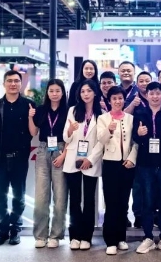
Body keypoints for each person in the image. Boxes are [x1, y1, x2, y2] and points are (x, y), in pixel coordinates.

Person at [0, 70, 33, 246]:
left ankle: (15, 229)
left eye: (16, 81)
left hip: (19, 158)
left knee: (19, 197)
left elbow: (33, 130)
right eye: (9, 81)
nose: (13, 84)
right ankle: (3, 229)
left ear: (21, 84)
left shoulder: (29, 105)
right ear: (4, 83)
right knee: (0, 197)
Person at [133, 82, 161, 255]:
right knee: (147, 203)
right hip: (145, 165)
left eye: (158, 93)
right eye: (151, 93)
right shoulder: (139, 113)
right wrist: (139, 134)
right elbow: (134, 138)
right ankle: (148, 238)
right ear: (146, 95)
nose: (155, 96)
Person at [97, 86, 138, 255]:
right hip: (110, 164)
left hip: (127, 164)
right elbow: (100, 140)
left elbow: (136, 142)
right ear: (109, 100)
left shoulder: (130, 118)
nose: (117, 101)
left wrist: (132, 159)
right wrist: (109, 129)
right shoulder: (102, 118)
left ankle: (121, 238)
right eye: (114, 98)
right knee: (111, 202)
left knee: (123, 203)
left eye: (120, 98)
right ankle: (110, 240)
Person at [63, 80, 103, 251]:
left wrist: (90, 159)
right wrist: (70, 130)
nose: (85, 94)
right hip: (73, 158)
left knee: (89, 200)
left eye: (89, 91)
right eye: (82, 91)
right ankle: (74, 236)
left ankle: (87, 236)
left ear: (95, 92)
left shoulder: (101, 113)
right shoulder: (73, 110)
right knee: (74, 199)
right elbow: (66, 137)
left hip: (91, 161)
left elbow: (101, 141)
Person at [32, 79, 69, 249]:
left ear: (63, 92)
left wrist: (64, 155)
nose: (54, 94)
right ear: (47, 92)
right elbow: (34, 132)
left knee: (60, 196)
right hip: (43, 150)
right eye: (51, 91)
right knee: (41, 196)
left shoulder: (69, 110)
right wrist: (30, 117)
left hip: (61, 150)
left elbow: (71, 137)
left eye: (57, 91)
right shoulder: (41, 110)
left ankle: (56, 235)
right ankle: (40, 235)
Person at [125, 71, 152, 228]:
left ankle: (153, 214)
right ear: (137, 83)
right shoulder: (132, 99)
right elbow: (123, 116)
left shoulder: (157, 96)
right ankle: (138, 214)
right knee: (138, 184)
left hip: (155, 147)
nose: (144, 83)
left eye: (147, 80)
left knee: (153, 183)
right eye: (141, 81)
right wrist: (132, 105)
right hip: (136, 144)